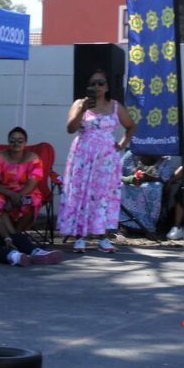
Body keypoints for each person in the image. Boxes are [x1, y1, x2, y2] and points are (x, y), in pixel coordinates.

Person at [58, 69, 135, 254]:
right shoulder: (79, 104)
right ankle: (80, 237)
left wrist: (122, 144)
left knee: (104, 196)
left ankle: (103, 237)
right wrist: (82, 109)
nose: (97, 87)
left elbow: (131, 126)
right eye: (92, 84)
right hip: (83, 156)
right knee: (80, 193)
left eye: (101, 83)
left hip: (107, 160)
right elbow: (70, 128)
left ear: (107, 87)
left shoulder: (115, 106)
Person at [0, 127, 44, 233]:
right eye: (12, 140)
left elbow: (32, 184)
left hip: (25, 191)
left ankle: (17, 233)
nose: (16, 143)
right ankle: (13, 236)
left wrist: (15, 197)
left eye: (20, 141)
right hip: (3, 191)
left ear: (25, 143)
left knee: (33, 200)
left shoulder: (34, 159)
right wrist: (11, 195)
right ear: (8, 142)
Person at [120, 150, 172, 236]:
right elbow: (117, 173)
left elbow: (165, 181)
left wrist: (149, 178)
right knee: (120, 186)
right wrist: (130, 179)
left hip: (148, 191)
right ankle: (124, 225)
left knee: (156, 187)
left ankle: (147, 226)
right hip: (129, 184)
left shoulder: (165, 160)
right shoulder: (131, 155)